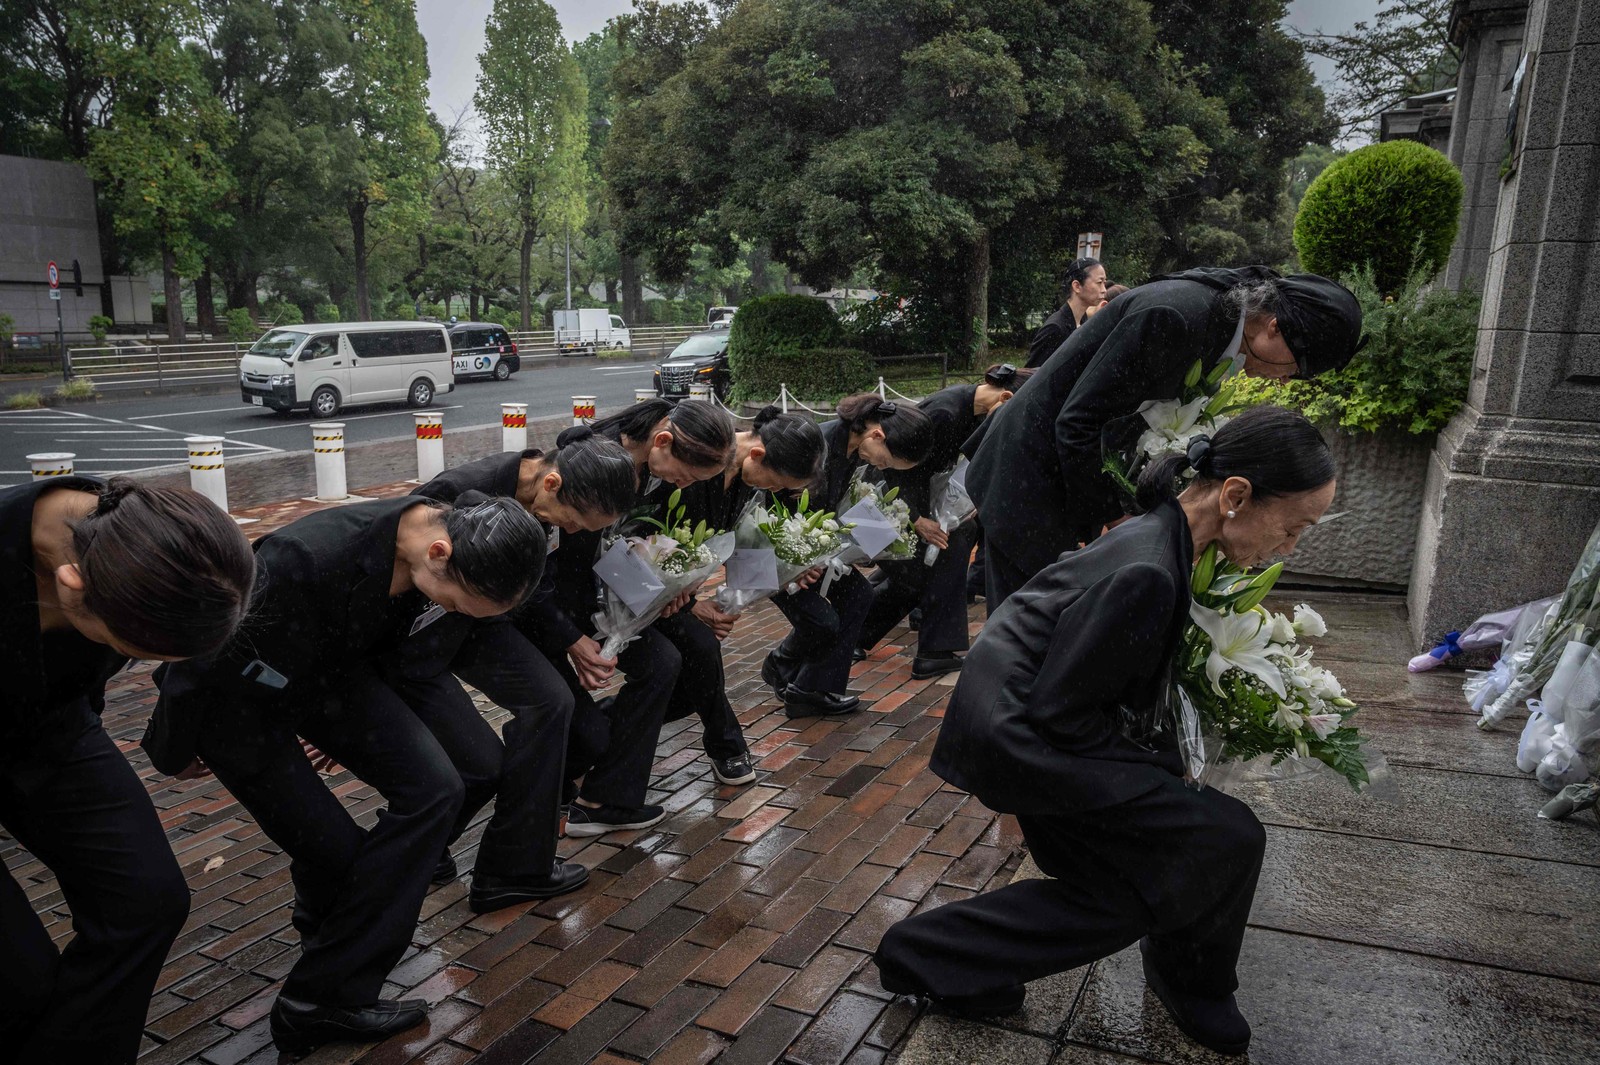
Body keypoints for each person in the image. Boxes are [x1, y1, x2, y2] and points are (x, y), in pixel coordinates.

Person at [875, 406, 1338, 1057]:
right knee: (1227, 834)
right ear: (1236, 495)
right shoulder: (1150, 567)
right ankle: (1190, 981)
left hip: (1023, 723)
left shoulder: (1167, 534)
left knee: (1125, 894)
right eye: (1294, 528)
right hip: (1025, 740)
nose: (1289, 548)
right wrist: (1162, 763)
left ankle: (925, 953)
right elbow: (1065, 712)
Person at [144, 496, 547, 1054]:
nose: (454, 613)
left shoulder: (454, 533)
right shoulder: (303, 557)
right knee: (335, 852)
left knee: (437, 788)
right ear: (438, 554)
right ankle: (319, 995)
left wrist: (349, 730)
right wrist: (173, 747)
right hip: (235, 704)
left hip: (330, 678)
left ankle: (327, 954)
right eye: (458, 603)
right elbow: (203, 652)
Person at [1, 478, 254, 1064]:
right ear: (73, 589)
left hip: (52, 726)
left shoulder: (142, 536)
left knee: (147, 901)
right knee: (18, 982)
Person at [968, 266, 1362, 609]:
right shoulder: (1178, 317)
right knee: (1024, 632)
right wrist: (1119, 519)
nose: (1285, 379)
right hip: (1027, 479)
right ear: (1274, 326)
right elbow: (1078, 422)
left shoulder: (1216, 321)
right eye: (1297, 368)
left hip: (1065, 478)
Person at [410, 437, 638, 911]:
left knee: (552, 705)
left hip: (496, 620)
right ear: (551, 483)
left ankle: (508, 867)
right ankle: (438, 851)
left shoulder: (558, 499)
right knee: (487, 755)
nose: (571, 530)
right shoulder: (455, 493)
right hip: (439, 624)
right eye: (572, 522)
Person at [550, 399, 737, 836]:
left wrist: (668, 584)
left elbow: (634, 533)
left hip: (620, 591)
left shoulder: (648, 467)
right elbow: (567, 553)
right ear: (663, 440)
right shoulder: (596, 459)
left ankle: (602, 794)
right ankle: (586, 787)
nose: (681, 484)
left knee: (685, 655)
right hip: (565, 600)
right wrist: (574, 636)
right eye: (684, 475)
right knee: (652, 668)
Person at [657, 406, 827, 784]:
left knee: (681, 687)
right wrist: (690, 606)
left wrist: (781, 576)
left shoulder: (745, 481)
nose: (775, 492)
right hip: (644, 590)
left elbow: (737, 540)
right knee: (700, 648)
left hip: (673, 593)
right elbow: (649, 539)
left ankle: (599, 726)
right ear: (757, 453)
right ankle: (728, 745)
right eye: (775, 483)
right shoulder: (693, 461)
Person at [856, 363, 1033, 678]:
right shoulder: (945, 413)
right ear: (1006, 398)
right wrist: (918, 518)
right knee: (925, 564)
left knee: (921, 565)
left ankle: (862, 634)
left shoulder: (965, 410)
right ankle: (927, 648)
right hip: (889, 496)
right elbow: (901, 466)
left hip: (909, 497)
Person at [763, 393, 933, 716]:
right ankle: (790, 671)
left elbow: (839, 504)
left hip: (813, 547)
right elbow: (775, 501)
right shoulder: (821, 444)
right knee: (823, 619)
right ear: (877, 434)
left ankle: (807, 684)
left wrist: (868, 540)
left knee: (858, 594)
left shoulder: (853, 449)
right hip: (779, 552)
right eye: (885, 461)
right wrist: (796, 560)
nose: (879, 466)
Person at [1025, 257, 1108, 368]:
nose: (1104, 290)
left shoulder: (1084, 321)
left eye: (1104, 283)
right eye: (1099, 282)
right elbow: (1031, 374)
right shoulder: (1055, 329)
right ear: (1077, 286)